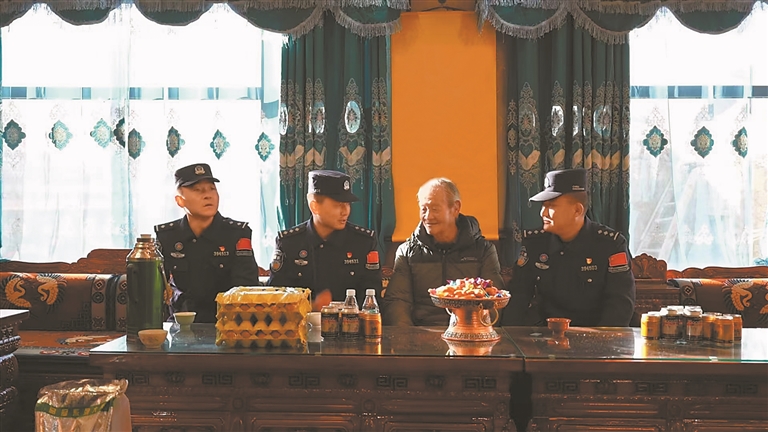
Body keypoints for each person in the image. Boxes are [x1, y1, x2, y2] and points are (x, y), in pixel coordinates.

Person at [502, 168, 636, 327]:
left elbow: (620, 306)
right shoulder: (535, 244)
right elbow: (518, 297)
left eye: (551, 206)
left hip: (596, 334)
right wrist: (510, 336)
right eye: (543, 205)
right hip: (548, 334)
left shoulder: (610, 245)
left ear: (577, 210)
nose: (543, 213)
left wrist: (600, 340)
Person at [383, 178, 504, 326]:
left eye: (435, 209)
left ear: (455, 208)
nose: (428, 216)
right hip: (421, 331)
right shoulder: (407, 251)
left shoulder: (483, 250)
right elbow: (398, 301)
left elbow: (493, 301)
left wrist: (477, 331)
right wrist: (408, 335)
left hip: (470, 330)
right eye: (423, 209)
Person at [155, 163, 260, 323]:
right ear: (180, 201)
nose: (208, 195)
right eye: (198, 190)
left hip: (226, 324)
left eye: (212, 189)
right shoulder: (168, 237)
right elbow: (154, 290)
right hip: (180, 326)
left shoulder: (237, 234)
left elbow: (246, 288)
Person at [268, 170, 381, 309]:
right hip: (303, 322)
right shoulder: (289, 243)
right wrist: (311, 306)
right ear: (315, 206)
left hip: (350, 321)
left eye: (347, 204)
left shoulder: (363, 242)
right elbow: (276, 299)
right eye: (338, 205)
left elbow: (373, 300)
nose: (345, 211)